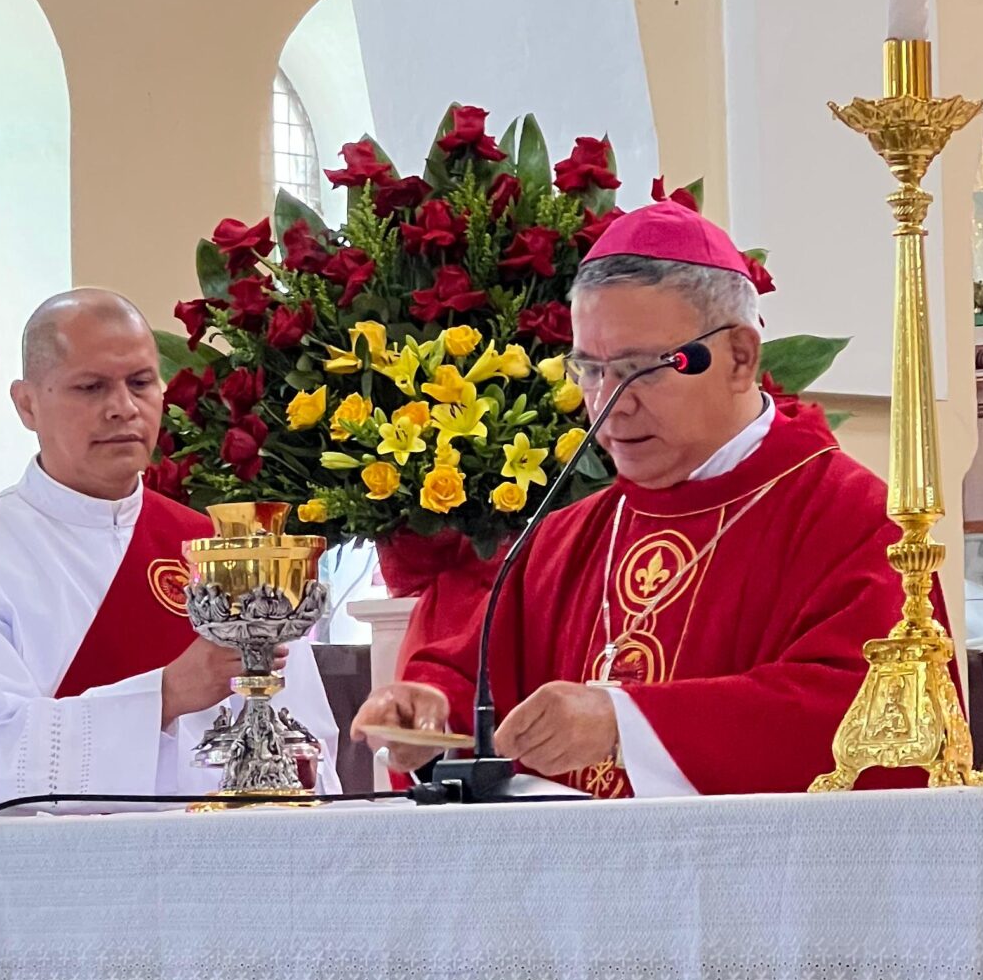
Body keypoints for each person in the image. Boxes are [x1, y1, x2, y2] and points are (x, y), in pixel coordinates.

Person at [353, 194, 910, 795]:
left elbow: (878, 723)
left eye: (644, 368)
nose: (610, 403)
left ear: (740, 358)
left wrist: (627, 724)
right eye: (591, 369)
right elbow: (473, 682)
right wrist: (426, 717)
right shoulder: (566, 537)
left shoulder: (856, 520)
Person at [0, 288, 341, 807]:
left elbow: (311, 750)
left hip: (230, 860)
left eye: (140, 383)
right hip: (64, 872)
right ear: (26, 404)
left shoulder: (224, 552)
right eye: (90, 387)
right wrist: (167, 693)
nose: (123, 409)